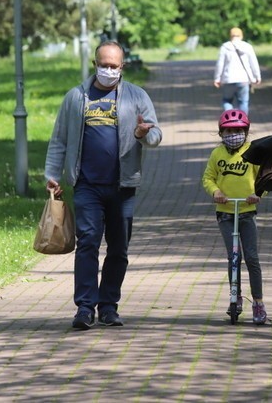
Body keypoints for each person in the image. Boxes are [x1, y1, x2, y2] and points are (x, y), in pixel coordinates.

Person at [44, 40, 162, 330]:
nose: (109, 70)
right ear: (95, 64)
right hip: (86, 185)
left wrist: (142, 133)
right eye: (104, 65)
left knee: (119, 248)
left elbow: (156, 136)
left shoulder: (136, 96)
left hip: (123, 186)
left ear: (122, 67)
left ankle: (108, 306)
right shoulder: (76, 97)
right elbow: (59, 139)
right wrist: (53, 174)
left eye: (114, 66)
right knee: (87, 243)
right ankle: (85, 307)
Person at [202, 109, 268, 325]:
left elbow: (264, 178)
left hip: (246, 212)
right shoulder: (217, 154)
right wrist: (216, 192)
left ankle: (258, 301)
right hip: (226, 213)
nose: (233, 135)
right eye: (229, 131)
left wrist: (257, 194)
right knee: (233, 258)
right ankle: (235, 296)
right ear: (221, 133)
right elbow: (208, 178)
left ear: (246, 132)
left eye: (238, 131)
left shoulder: (253, 152)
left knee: (252, 257)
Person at [213, 27, 261, 114]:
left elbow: (220, 64)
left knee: (227, 100)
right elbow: (254, 63)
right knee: (243, 102)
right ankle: (243, 122)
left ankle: (230, 119)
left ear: (230, 36)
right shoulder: (247, 46)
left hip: (228, 79)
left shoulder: (225, 47)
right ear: (241, 36)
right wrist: (257, 77)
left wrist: (217, 79)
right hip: (243, 79)